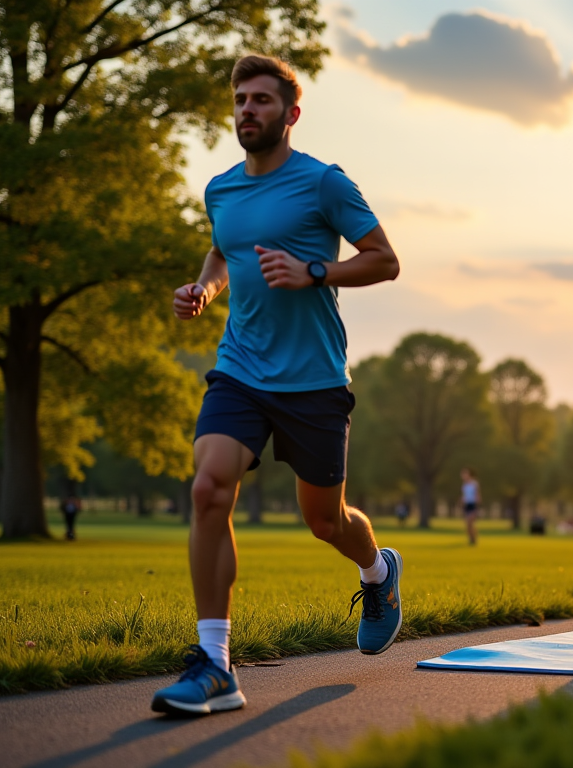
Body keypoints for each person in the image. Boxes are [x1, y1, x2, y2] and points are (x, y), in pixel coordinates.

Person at [155, 55, 403, 717]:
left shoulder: (324, 184)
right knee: (208, 488)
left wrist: (315, 271)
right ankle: (214, 664)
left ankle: (377, 572)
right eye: (240, 99)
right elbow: (223, 250)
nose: (247, 110)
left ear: (290, 114)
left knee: (325, 520)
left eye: (261, 100)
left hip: (314, 380)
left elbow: (385, 260)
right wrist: (204, 289)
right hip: (239, 368)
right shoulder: (221, 190)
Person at [460, 468, 480, 546]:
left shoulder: (474, 483)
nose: (464, 476)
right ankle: (471, 538)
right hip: (467, 505)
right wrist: (461, 501)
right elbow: (464, 496)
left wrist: (478, 502)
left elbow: (477, 494)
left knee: (470, 522)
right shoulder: (464, 485)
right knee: (468, 525)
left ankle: (474, 538)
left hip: (473, 504)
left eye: (465, 474)